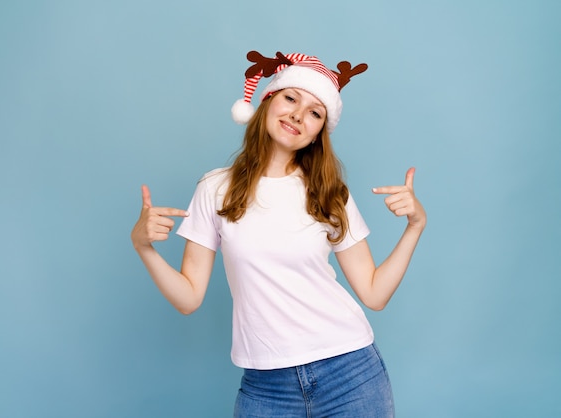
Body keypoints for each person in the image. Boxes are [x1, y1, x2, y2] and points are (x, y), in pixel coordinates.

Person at [131, 50, 426, 418]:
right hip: (266, 386)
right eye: (291, 98)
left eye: (315, 112)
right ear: (268, 100)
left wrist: (415, 226)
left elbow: (374, 292)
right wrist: (144, 248)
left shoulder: (329, 192)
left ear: (320, 132)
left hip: (350, 374)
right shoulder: (214, 189)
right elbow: (189, 298)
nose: (298, 115)